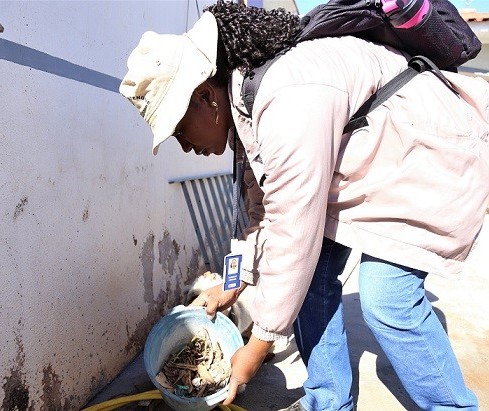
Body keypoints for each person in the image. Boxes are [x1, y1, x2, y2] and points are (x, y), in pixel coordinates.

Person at [119, 1, 489, 409]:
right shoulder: (246, 105)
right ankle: (328, 401)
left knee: (388, 299)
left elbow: (293, 230)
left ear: (206, 96)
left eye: (178, 130)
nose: (185, 145)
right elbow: (262, 212)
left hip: (433, 157)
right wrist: (231, 285)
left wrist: (257, 346)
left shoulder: (288, 97)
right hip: (379, 170)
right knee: (309, 283)